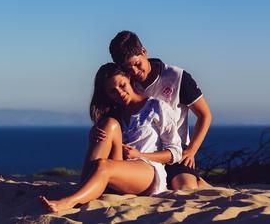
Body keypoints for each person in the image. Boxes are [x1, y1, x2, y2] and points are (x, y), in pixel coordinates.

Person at [40, 63, 182, 213]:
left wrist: (139, 154)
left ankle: (70, 201)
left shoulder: (156, 107)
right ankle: (84, 186)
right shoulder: (115, 113)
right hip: (119, 169)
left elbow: (175, 152)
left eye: (122, 85)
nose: (119, 93)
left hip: (147, 171)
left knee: (103, 165)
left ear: (128, 78)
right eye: (112, 92)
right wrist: (93, 134)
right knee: (109, 124)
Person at [93, 30, 213, 190]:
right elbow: (111, 115)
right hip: (138, 153)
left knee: (184, 188)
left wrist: (191, 150)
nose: (135, 72)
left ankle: (199, 182)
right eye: (128, 69)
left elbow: (204, 115)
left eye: (137, 64)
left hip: (173, 151)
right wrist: (97, 129)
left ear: (144, 52)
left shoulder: (176, 76)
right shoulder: (125, 84)